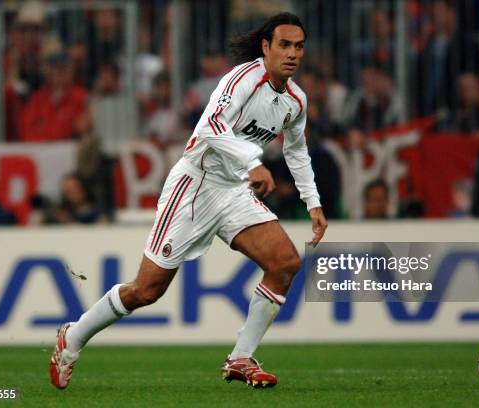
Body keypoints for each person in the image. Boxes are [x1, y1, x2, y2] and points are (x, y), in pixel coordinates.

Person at [49, 12, 327, 390]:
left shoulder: (296, 99)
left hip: (232, 190)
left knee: (285, 262)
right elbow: (210, 128)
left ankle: (241, 358)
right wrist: (253, 162)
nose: (292, 53)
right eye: (284, 45)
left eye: (299, 46)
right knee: (147, 290)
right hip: (194, 186)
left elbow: (297, 150)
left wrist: (313, 202)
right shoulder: (242, 79)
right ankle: (73, 337)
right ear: (266, 47)